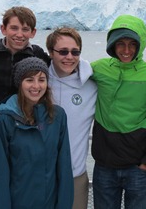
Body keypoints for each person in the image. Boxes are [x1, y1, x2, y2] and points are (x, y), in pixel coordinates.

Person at [91, 14, 146, 209]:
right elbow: (68, 72)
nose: (126, 50)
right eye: (120, 44)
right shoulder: (99, 69)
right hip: (104, 166)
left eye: (132, 44)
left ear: (140, 45)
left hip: (137, 169)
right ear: (112, 44)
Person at [0, 6, 50, 208]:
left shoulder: (38, 56)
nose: (19, 34)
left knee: (19, 197)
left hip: (21, 144)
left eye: (25, 29)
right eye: (14, 28)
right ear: (3, 29)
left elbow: (66, 66)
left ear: (33, 33)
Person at [0, 57, 73, 208]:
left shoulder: (57, 117)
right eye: (29, 80)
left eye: (41, 80)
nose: (36, 86)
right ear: (19, 83)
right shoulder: (5, 121)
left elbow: (64, 167)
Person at [46, 27, 97, 209]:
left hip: (75, 175)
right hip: (41, 176)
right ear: (51, 53)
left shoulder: (91, 86)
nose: (69, 57)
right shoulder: (38, 82)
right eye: (63, 51)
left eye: (75, 52)